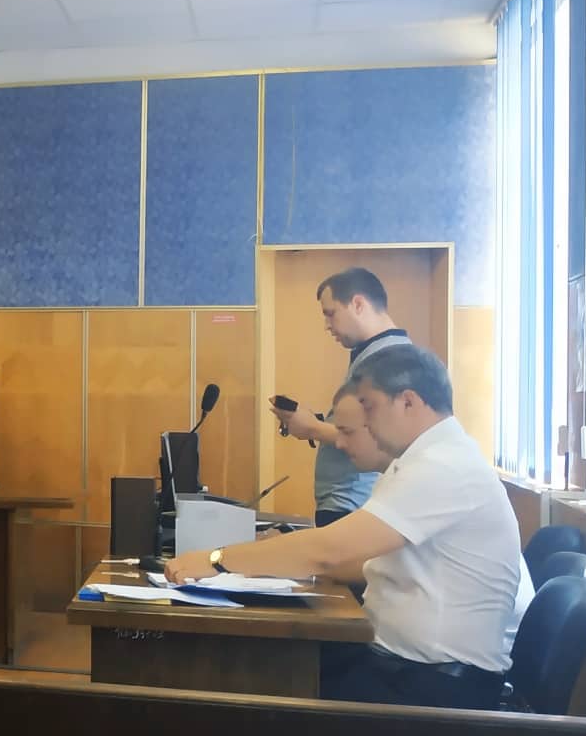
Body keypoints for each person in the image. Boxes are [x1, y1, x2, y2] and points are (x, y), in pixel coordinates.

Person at [166, 345, 532, 710]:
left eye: (369, 407)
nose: (366, 422)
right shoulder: (423, 461)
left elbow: (329, 551)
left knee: (247, 687)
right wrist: (266, 564)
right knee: (259, 664)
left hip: (430, 687)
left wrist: (217, 561)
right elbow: (361, 562)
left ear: (408, 402)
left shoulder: (444, 466)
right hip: (405, 668)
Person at [271, 267, 410, 525]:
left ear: (358, 304)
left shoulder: (388, 358)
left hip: (353, 502)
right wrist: (318, 421)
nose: (327, 326)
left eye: (330, 313)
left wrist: (311, 428)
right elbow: (361, 424)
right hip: (346, 500)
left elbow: (374, 440)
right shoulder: (372, 353)